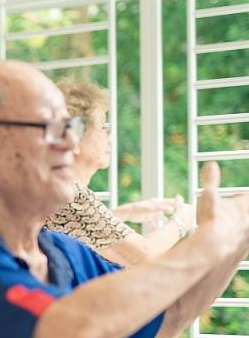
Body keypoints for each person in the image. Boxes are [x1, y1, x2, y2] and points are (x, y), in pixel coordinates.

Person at [0, 60, 249, 338]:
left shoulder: (61, 250)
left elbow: (173, 313)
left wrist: (241, 237)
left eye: (72, 126)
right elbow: (70, 327)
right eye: (48, 126)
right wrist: (207, 240)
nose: (69, 143)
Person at [43, 78, 196, 266]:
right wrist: (182, 221)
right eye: (103, 127)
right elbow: (143, 254)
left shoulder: (57, 187)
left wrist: (128, 211)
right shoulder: (70, 194)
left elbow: (82, 230)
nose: (110, 138)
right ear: (74, 138)